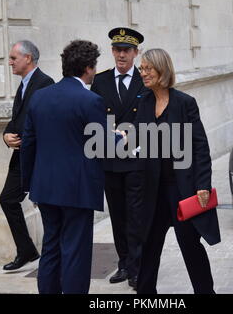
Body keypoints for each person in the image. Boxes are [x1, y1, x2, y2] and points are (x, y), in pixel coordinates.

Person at [20, 40, 110, 294]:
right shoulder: (90, 100)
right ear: (88, 68)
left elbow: (28, 144)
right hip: (77, 190)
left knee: (51, 248)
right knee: (75, 253)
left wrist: (29, 185)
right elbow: (103, 144)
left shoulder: (39, 97)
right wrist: (123, 138)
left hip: (45, 188)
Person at [134, 48, 221, 294]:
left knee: (190, 246)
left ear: (162, 70)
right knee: (148, 247)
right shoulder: (144, 103)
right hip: (153, 190)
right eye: (141, 69)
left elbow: (200, 148)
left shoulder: (184, 103)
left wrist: (203, 184)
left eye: (147, 68)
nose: (143, 73)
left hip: (180, 190)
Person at [90, 27, 146, 290]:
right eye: (117, 50)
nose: (121, 55)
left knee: (135, 214)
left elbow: (150, 116)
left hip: (135, 158)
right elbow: (93, 114)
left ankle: (137, 266)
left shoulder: (144, 80)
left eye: (127, 50)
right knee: (118, 214)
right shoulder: (100, 81)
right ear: (112, 52)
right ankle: (124, 263)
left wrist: (131, 134)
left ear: (136, 53)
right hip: (110, 159)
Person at [0, 40, 54, 271]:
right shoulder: (23, 85)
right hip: (21, 158)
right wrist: (6, 135)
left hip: (38, 158)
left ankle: (53, 258)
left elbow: (45, 122)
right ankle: (27, 250)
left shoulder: (45, 83)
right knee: (7, 200)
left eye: (13, 58)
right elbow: (17, 118)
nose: (10, 62)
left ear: (28, 58)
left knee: (47, 206)